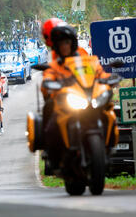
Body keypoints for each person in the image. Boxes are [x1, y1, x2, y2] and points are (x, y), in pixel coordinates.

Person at [40, 20, 109, 168]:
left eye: (67, 42)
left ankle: (108, 145)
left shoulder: (84, 56)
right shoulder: (54, 63)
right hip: (65, 100)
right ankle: (50, 152)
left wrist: (108, 80)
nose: (64, 46)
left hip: (86, 95)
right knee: (51, 120)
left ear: (72, 42)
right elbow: (47, 78)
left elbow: (98, 72)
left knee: (108, 111)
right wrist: (49, 84)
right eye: (61, 43)